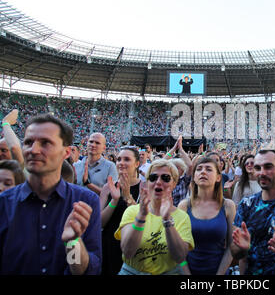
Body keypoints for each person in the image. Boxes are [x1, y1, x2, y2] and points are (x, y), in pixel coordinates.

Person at [0, 113, 102, 275]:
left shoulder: (85, 201)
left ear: (66, 152)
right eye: (28, 142)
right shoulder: (4, 202)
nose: (33, 150)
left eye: (45, 143)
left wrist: (73, 243)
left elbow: (84, 271)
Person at [114, 159, 194, 275]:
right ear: (147, 183)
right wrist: (141, 217)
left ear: (174, 183)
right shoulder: (132, 211)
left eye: (165, 178)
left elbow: (180, 257)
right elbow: (128, 252)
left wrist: (167, 221)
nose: (158, 182)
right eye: (153, 178)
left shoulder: (182, 217)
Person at [178, 157, 236, 275]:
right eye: (199, 169)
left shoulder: (228, 206)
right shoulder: (184, 206)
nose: (203, 172)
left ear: (218, 178)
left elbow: (231, 247)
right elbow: (178, 249)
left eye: (209, 169)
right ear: (194, 176)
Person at [100, 146, 141, 275]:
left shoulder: (145, 187)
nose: (121, 163)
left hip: (133, 246)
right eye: (119, 159)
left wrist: (128, 196)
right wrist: (114, 201)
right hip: (109, 244)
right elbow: (99, 222)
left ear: (137, 164)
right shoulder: (108, 187)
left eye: (127, 159)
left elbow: (144, 221)